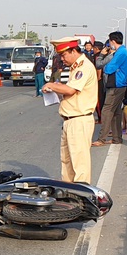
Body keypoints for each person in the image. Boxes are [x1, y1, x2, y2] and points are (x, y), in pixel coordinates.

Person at [41, 37, 97, 184]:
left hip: (79, 120)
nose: (62, 59)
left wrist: (52, 85)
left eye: (64, 55)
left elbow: (71, 90)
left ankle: (82, 196)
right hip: (70, 120)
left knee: (79, 163)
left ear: (73, 51)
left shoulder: (84, 67)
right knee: (67, 161)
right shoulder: (75, 67)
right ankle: (69, 193)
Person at [92, 31, 127, 146]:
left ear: (112, 41)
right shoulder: (121, 51)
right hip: (118, 84)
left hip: (116, 85)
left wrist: (103, 56)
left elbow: (108, 68)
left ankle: (101, 139)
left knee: (106, 111)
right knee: (116, 112)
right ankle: (117, 138)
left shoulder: (121, 52)